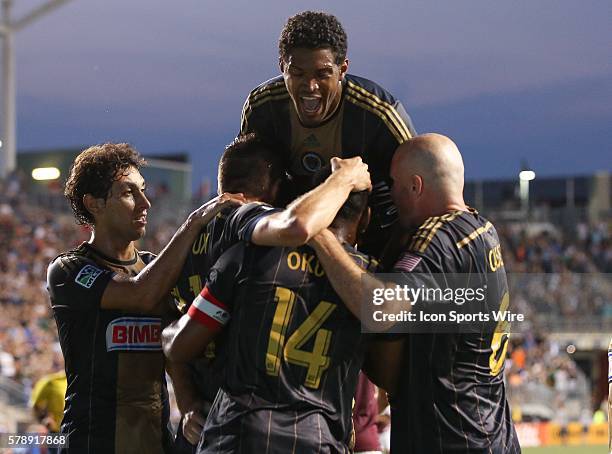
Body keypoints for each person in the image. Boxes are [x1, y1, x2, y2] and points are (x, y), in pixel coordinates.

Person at [309, 134, 521, 453]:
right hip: (492, 435)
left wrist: (319, 235)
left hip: (450, 440)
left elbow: (380, 310)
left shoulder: (437, 237)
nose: (391, 195)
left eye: (395, 184)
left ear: (415, 186)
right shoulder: (481, 230)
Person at [169, 134, 372, 448]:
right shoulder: (372, 275)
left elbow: (179, 342)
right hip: (318, 438)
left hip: (232, 430)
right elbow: (389, 367)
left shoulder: (240, 253)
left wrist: (184, 392)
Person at [47, 143, 243, 454]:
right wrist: (193, 223)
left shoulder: (154, 268)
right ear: (93, 203)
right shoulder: (69, 269)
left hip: (155, 442)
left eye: (143, 190)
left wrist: (189, 405)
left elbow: (172, 346)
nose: (145, 203)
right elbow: (139, 293)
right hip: (90, 443)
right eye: (128, 193)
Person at [240, 10, 417, 255]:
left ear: (342, 69)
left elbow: (416, 191)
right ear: (282, 67)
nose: (310, 86)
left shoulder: (380, 114)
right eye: (298, 73)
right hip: (294, 218)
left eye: (323, 74)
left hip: (370, 225)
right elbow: (245, 184)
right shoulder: (263, 106)